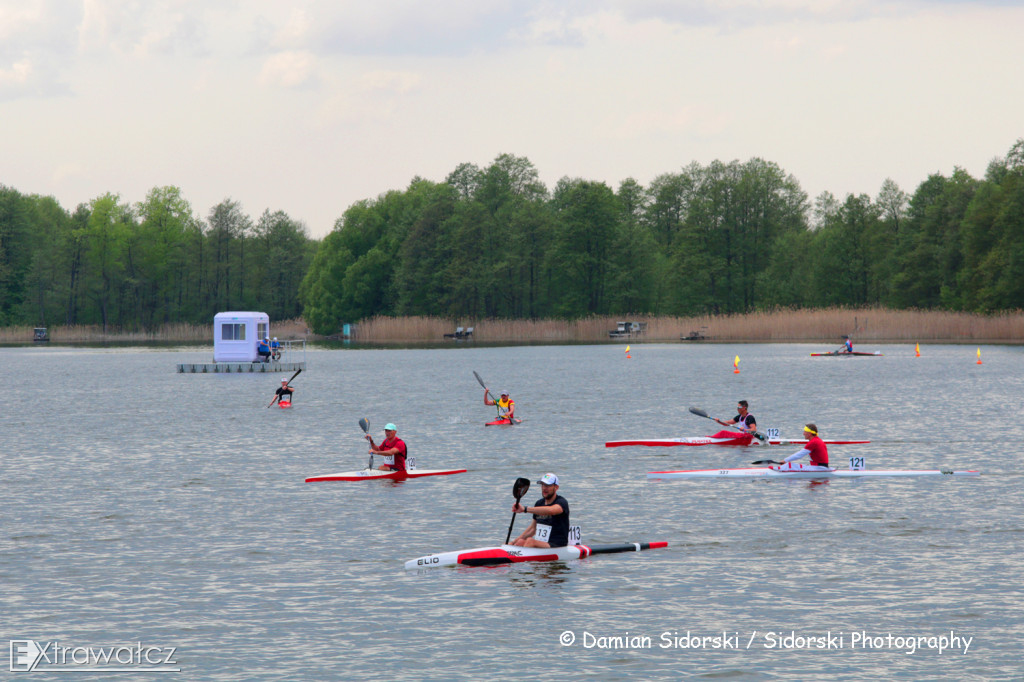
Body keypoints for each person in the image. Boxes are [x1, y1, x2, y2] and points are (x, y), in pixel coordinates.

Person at [511, 473, 569, 548]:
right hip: (541, 543)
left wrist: (525, 509)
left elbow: (551, 510)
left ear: (556, 487)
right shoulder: (539, 503)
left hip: (557, 544)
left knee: (530, 541)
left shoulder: (562, 502)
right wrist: (513, 543)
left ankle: (520, 558)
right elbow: (533, 529)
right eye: (543, 485)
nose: (544, 488)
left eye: (548, 485)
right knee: (520, 541)